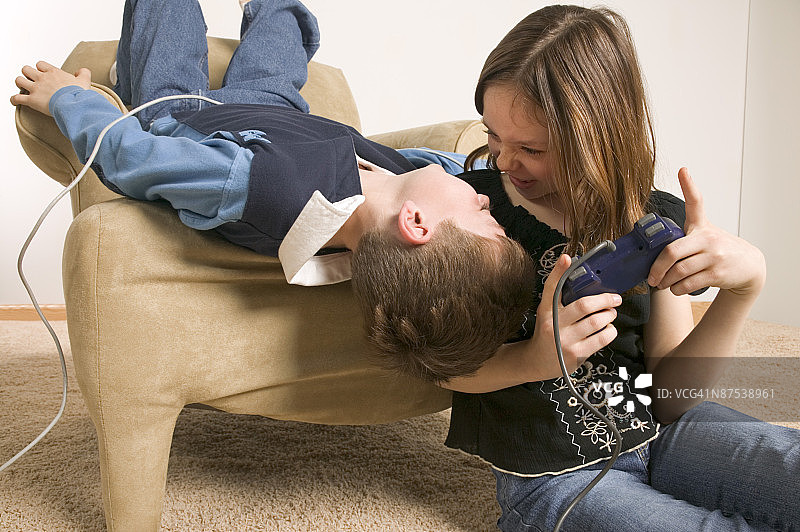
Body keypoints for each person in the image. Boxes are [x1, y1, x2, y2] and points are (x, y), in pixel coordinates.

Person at [10, 0, 536, 383]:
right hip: (274, 109)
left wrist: (73, 98)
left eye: (484, 217)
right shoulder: (402, 185)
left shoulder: (252, 189)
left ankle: (136, 75)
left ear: (416, 224)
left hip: (186, 112)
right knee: (284, 19)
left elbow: (129, 158)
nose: (487, 201)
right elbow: (452, 174)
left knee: (166, 13)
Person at [437, 5, 800, 531]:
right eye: (494, 136)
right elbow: (442, 366)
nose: (505, 162)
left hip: (666, 433)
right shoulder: (472, 210)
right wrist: (537, 358)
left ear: (598, 136)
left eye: (531, 148)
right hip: (552, 479)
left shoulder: (652, 219)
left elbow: (673, 398)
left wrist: (744, 289)